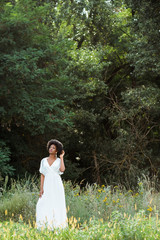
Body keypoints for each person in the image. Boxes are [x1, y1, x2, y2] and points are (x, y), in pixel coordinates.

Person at [36, 139, 68, 230]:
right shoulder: (43, 161)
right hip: (47, 184)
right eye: (50, 147)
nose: (51, 149)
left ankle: (58, 226)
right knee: (42, 203)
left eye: (53, 148)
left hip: (57, 185)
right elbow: (42, 175)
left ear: (57, 150)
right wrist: (41, 189)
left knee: (57, 203)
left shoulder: (58, 160)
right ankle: (44, 226)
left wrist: (61, 157)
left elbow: (62, 170)